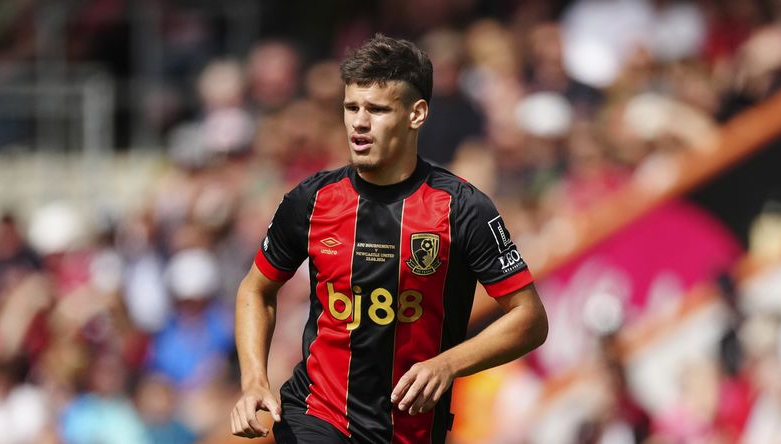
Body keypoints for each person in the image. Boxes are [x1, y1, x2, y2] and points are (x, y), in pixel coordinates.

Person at [230, 34, 548, 444]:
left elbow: (530, 317)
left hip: (411, 430)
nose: (359, 122)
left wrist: (448, 364)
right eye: (351, 108)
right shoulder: (311, 200)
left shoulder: (463, 208)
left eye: (376, 109)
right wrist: (254, 380)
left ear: (416, 114)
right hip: (317, 415)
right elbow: (256, 290)